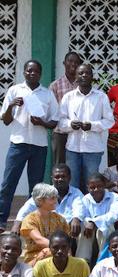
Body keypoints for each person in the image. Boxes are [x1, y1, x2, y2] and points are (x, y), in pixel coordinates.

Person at [0, 60, 59, 231]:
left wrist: (42, 122)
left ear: (40, 74)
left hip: (39, 146)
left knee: (36, 186)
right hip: (18, 143)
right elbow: (5, 120)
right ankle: (2, 220)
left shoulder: (47, 94)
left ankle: (28, 221)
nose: (32, 73)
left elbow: (54, 121)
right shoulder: (14, 90)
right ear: (24, 72)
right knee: (8, 183)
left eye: (35, 71)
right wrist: (11, 105)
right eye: (29, 71)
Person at [57, 63, 115, 191]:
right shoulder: (68, 97)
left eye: (87, 73)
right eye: (80, 73)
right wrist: (70, 124)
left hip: (93, 149)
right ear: (76, 77)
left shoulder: (101, 97)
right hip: (72, 149)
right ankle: (75, 210)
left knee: (92, 184)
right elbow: (60, 121)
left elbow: (110, 121)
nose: (84, 75)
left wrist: (92, 126)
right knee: (73, 184)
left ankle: (90, 210)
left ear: (92, 76)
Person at [11, 164, 83, 235]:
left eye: (63, 176)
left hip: (69, 228)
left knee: (83, 226)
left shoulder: (76, 193)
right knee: (24, 225)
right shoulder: (44, 191)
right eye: (57, 177)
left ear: (69, 178)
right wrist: (17, 223)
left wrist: (76, 218)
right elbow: (28, 207)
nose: (60, 179)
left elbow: (79, 207)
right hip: (47, 229)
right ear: (52, 178)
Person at [75, 173, 118, 266]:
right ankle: (83, 261)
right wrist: (89, 222)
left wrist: (94, 221)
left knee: (104, 227)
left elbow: (115, 214)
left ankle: (103, 260)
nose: (96, 190)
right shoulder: (85, 199)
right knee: (84, 226)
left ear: (104, 185)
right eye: (92, 187)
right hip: (90, 230)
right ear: (88, 188)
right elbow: (83, 215)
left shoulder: (113, 197)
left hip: (107, 229)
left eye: (99, 186)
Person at [20, 183, 71, 266]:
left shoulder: (60, 219)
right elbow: (39, 240)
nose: (55, 201)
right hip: (34, 258)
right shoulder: (29, 220)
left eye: (55, 197)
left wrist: (69, 256)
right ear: (40, 200)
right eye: (52, 198)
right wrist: (60, 248)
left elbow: (67, 242)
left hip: (59, 254)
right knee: (47, 252)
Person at [50, 51, 81, 165]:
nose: (73, 64)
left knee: (77, 166)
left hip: (79, 132)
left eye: (76, 62)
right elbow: (52, 111)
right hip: (60, 132)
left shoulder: (83, 85)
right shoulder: (55, 85)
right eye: (70, 61)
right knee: (59, 165)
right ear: (64, 63)